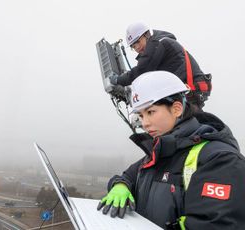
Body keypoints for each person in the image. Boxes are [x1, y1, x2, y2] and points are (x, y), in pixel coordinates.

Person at [97, 71, 245, 229]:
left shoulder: (220, 160)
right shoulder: (160, 152)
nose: (145, 123)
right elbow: (129, 175)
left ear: (176, 109)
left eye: (150, 112)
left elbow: (216, 225)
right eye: (140, 115)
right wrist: (120, 185)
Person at [110, 22, 212, 110]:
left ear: (147, 35)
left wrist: (118, 80)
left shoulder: (158, 43)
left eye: (137, 42)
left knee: (181, 123)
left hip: (192, 88)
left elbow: (141, 71)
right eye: (133, 46)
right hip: (188, 89)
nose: (137, 47)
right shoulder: (158, 45)